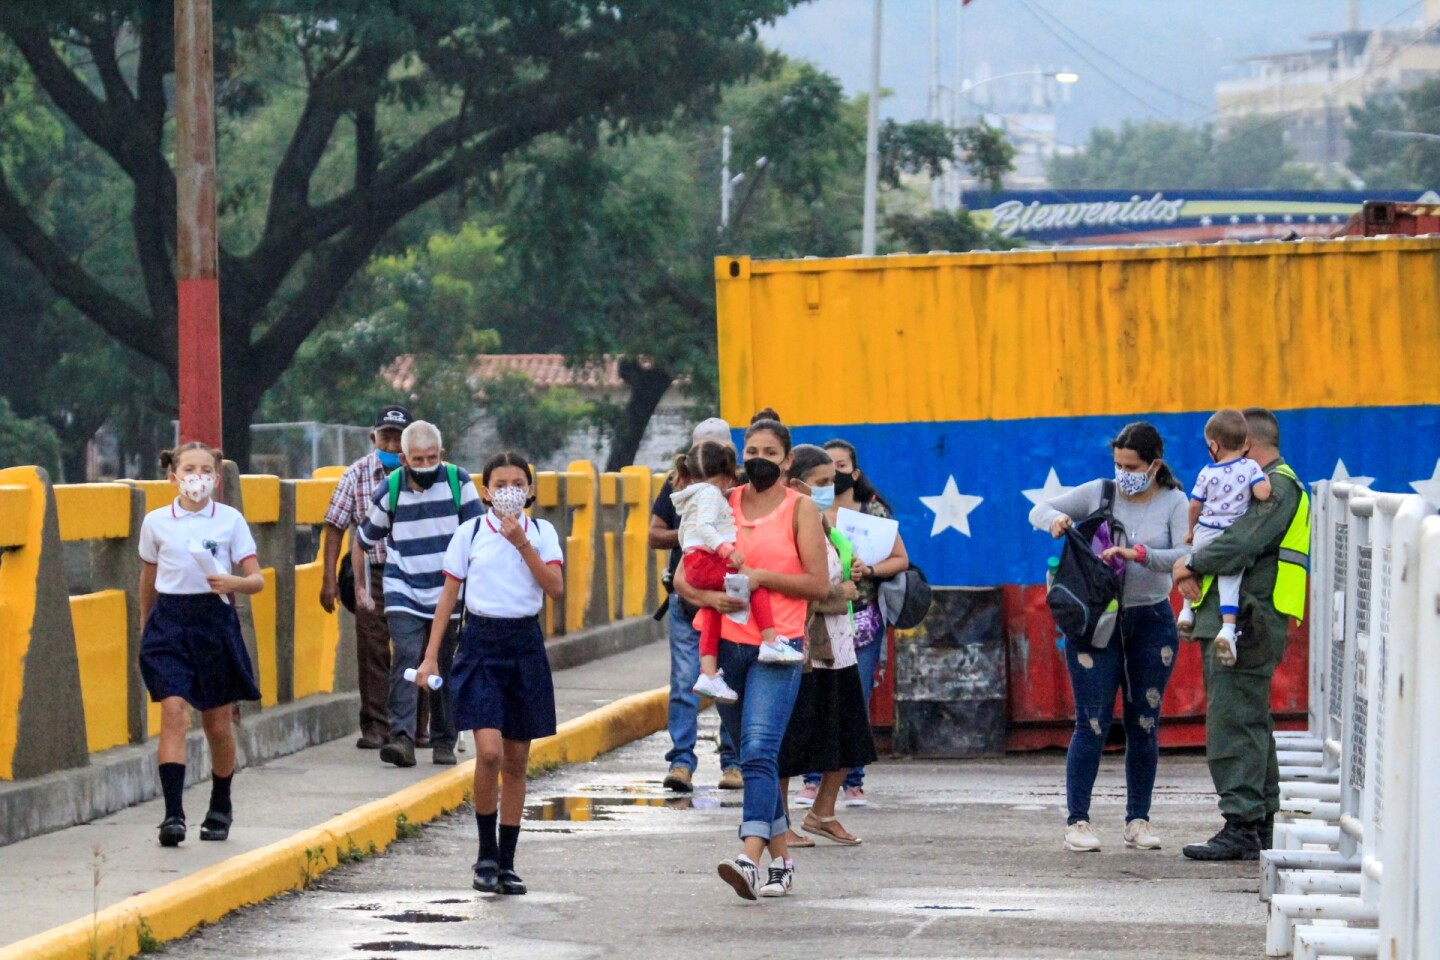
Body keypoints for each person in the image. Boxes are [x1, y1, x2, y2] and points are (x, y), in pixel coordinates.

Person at [675, 417, 829, 901]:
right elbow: (682, 575)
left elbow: (818, 584)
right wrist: (708, 598)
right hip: (724, 647)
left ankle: (749, 859)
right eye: (752, 451)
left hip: (777, 645)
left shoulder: (800, 509)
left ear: (787, 460)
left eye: (770, 452)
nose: (759, 459)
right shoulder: (721, 501)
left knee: (760, 751)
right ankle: (783, 862)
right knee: (753, 758)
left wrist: (762, 577)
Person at [1028, 422, 1189, 854]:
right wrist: (1056, 520)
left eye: (1131, 467)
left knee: (1144, 722)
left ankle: (1138, 819)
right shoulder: (1100, 492)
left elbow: (1186, 554)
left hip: (1150, 620)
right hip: (1096, 622)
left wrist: (1140, 555)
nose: (1123, 474)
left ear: (1154, 465)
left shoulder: (1175, 502)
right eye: (1118, 464)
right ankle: (1077, 820)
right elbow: (1038, 509)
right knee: (1092, 721)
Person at [416, 452, 564, 896]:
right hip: (480, 644)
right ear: (485, 491)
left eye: (518, 483)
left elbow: (555, 588)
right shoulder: (470, 533)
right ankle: (485, 853)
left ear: (530, 490)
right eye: (500, 484)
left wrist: (522, 543)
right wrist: (431, 656)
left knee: (517, 759)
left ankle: (508, 862)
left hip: (524, 644)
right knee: (490, 752)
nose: (509, 491)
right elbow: (448, 597)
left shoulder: (542, 533)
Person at [1174, 407, 1309, 861]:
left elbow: (1242, 540)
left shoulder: (1279, 486)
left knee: (1233, 718)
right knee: (1249, 719)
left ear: (1246, 444)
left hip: (1250, 619)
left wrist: (1191, 564)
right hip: (1245, 617)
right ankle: (1258, 822)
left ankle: (1242, 823)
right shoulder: (1263, 485)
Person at [138, 442, 266, 847]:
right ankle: (173, 814)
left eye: (206, 470)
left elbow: (257, 579)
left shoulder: (229, 520)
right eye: (189, 469)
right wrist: (145, 626)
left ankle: (220, 804)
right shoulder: (156, 522)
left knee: (216, 722)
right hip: (169, 623)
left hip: (214, 623)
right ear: (172, 476)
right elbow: (148, 579)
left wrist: (233, 582)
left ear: (216, 476)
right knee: (173, 710)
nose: (198, 477)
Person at [357, 421, 482, 768]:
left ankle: (444, 739)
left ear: (442, 455)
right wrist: (361, 588)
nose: (425, 465)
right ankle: (402, 738)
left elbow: (478, 535)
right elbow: (363, 539)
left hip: (449, 590)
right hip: (404, 587)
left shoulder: (459, 482)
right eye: (418, 459)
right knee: (407, 655)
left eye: (431, 458)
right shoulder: (392, 487)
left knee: (444, 661)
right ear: (404, 459)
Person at [796, 438, 907, 808]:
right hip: (816, 620)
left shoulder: (871, 511)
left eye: (840, 469)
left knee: (854, 701)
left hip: (861, 620)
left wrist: (868, 569)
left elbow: (900, 558)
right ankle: (812, 780)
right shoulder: (804, 511)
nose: (834, 480)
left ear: (854, 472)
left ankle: (853, 781)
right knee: (817, 700)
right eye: (826, 474)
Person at [778, 446, 874, 850]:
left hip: (840, 646)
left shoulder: (825, 525)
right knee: (792, 741)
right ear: (796, 485)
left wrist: (853, 571)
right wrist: (839, 593)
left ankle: (823, 812)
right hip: (807, 652)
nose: (828, 489)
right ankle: (779, 822)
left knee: (849, 735)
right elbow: (798, 589)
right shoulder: (789, 528)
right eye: (820, 482)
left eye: (831, 481)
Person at [653, 418, 741, 794]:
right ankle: (681, 762)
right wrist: (692, 531)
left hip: (728, 599)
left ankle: (733, 762)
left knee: (729, 680)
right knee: (684, 683)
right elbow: (653, 534)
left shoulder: (738, 491)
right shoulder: (677, 485)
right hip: (686, 597)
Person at [672, 440, 796, 706]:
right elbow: (705, 527)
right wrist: (726, 550)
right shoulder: (709, 493)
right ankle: (771, 642)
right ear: (726, 476)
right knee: (752, 581)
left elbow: (685, 534)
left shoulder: (692, 495)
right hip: (706, 559)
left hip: (694, 561)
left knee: (711, 613)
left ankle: (708, 674)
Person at [320, 404, 410, 750]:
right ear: (374, 438)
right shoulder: (356, 474)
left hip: (414, 572)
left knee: (413, 649)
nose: (392, 446)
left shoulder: (422, 472)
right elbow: (334, 526)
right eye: (386, 438)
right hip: (371, 571)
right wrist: (329, 579)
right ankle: (375, 726)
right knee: (372, 648)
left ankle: (414, 728)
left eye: (399, 439)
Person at [1177, 409, 1273, 665]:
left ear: (1213, 445)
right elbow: (1263, 494)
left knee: (1194, 567)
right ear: (1246, 443)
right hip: (1229, 534)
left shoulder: (1206, 472)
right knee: (1229, 582)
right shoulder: (1250, 467)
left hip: (1205, 530)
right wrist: (1264, 479)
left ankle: (1186, 613)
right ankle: (1228, 630)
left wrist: (1190, 530)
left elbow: (1194, 505)